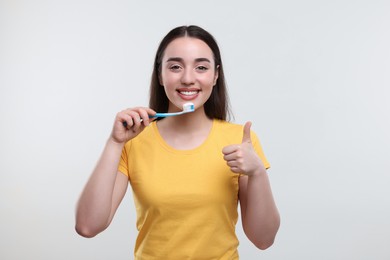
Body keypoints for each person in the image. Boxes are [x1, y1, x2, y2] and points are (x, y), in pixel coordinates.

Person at [75, 25, 280, 259]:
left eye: (201, 67)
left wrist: (257, 173)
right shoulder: (133, 142)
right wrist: (114, 143)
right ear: (160, 75)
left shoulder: (241, 140)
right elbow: (88, 226)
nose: (188, 78)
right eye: (175, 67)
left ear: (215, 76)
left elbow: (263, 240)